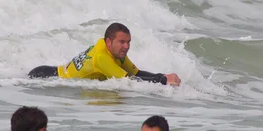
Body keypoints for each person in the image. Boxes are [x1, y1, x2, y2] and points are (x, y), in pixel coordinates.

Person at [28, 22, 182, 86]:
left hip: (52, 74)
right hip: (47, 78)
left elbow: (136, 72)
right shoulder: (102, 57)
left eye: (128, 42)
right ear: (109, 42)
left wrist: (162, 76)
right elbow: (129, 82)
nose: (126, 46)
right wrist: (162, 80)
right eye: (122, 42)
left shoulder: (114, 51)